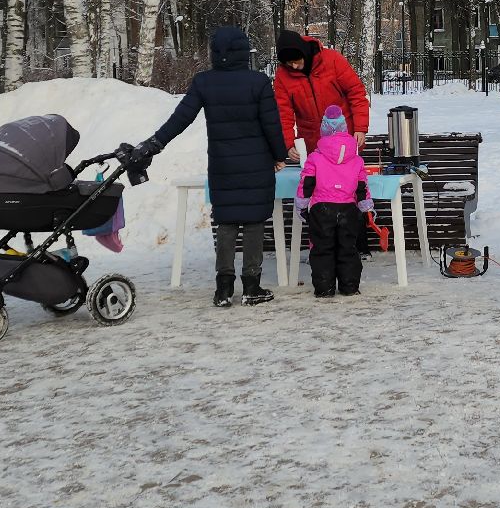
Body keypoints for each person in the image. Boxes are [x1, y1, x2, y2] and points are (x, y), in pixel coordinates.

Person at [131, 26, 285, 307]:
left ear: (215, 54)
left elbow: (181, 118)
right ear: (243, 52)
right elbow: (271, 125)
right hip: (256, 164)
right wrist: (279, 155)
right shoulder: (258, 82)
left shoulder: (204, 83)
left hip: (222, 165)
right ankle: (252, 287)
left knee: (226, 223)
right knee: (253, 223)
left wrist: (155, 142)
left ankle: (223, 289)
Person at [296, 105, 371, 298]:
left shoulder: (315, 158)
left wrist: (302, 206)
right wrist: (365, 206)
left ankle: (324, 288)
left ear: (324, 129)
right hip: (348, 209)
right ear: (345, 128)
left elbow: (306, 184)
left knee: (322, 249)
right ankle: (350, 286)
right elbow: (362, 186)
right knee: (348, 248)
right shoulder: (356, 159)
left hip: (322, 210)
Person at [273, 29, 370, 161]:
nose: (294, 66)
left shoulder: (333, 60)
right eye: (289, 63)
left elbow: (357, 94)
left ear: (303, 52)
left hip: (345, 138)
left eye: (296, 60)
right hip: (313, 144)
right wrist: (289, 144)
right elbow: (283, 113)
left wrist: (360, 128)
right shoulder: (282, 76)